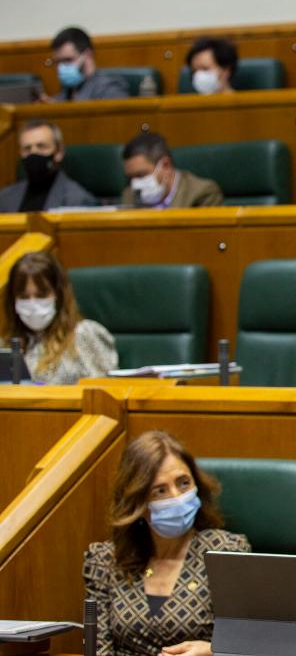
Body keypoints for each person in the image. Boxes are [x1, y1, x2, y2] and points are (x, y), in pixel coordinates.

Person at [83, 430, 250, 656]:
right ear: (138, 503)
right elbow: (97, 649)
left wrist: (213, 651)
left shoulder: (227, 551)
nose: (176, 497)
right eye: (160, 490)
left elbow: (249, 644)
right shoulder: (104, 561)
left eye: (183, 483)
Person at [5, 251, 117, 384]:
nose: (32, 303)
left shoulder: (84, 334)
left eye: (41, 295)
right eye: (24, 297)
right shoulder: (6, 344)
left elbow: (105, 393)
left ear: (58, 295)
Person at [0, 119, 98, 212]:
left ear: (59, 152)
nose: (33, 153)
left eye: (41, 146)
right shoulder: (4, 198)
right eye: (27, 149)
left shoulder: (78, 200)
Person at [120, 132, 224, 209]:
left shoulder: (202, 193)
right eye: (130, 177)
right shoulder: (129, 195)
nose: (135, 184)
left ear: (165, 165)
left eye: (141, 175)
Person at [47, 26, 130, 102]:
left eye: (68, 60)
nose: (61, 67)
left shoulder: (110, 87)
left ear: (88, 55)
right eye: (58, 62)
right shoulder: (67, 90)